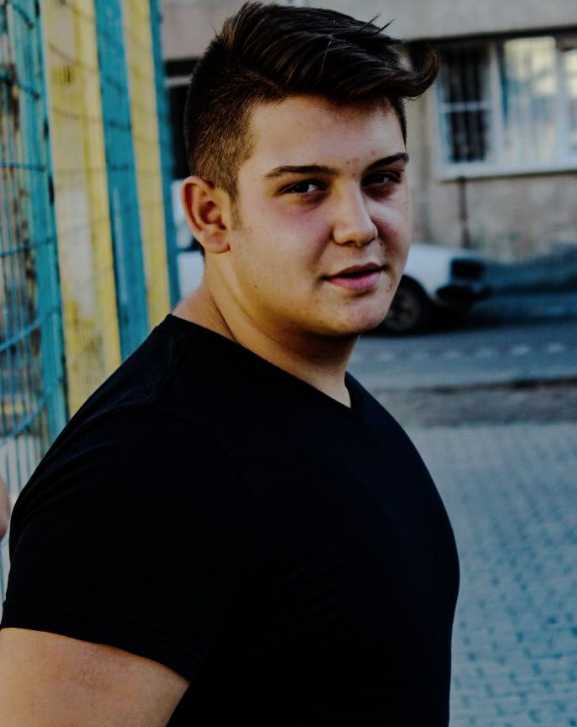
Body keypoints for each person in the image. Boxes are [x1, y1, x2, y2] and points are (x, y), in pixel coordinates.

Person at [0, 3, 459, 725]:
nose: (359, 225)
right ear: (210, 216)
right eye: (305, 187)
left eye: (381, 180)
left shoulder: (318, 393)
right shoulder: (137, 476)